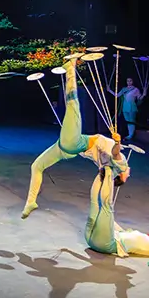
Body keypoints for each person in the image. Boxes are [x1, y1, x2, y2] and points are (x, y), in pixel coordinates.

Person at [21, 56, 121, 220]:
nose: (128, 173)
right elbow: (114, 158)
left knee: (73, 104)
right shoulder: (111, 163)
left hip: (73, 143)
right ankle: (31, 202)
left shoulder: (116, 161)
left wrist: (117, 142)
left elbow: (116, 154)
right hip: (64, 148)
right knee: (36, 166)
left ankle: (71, 67)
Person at [84, 131, 149, 263]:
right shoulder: (140, 234)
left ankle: (108, 170)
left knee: (106, 206)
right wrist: (109, 221)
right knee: (95, 202)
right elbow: (117, 229)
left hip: (105, 243)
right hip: (95, 237)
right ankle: (103, 172)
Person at [108, 76, 144, 141]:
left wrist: (144, 94)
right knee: (128, 122)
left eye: (130, 81)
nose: (129, 82)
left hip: (132, 107)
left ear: (133, 81)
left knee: (131, 121)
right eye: (128, 81)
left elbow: (139, 98)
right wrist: (109, 90)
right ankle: (129, 134)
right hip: (125, 107)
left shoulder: (135, 89)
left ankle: (131, 135)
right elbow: (117, 95)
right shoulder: (124, 89)